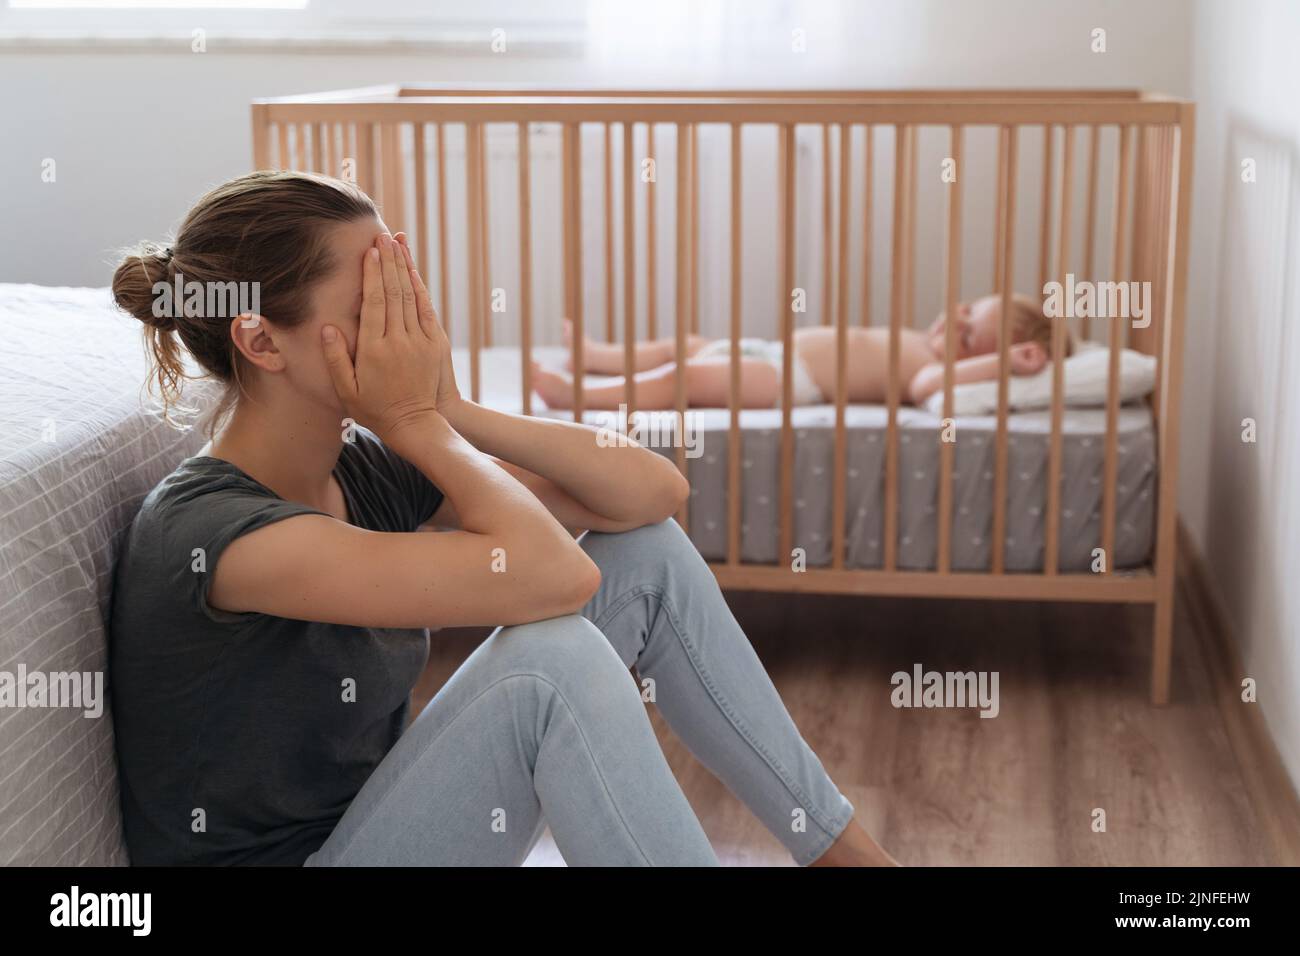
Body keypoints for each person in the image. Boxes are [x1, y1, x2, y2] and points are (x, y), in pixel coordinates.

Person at [107, 170, 898, 867]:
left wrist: (449, 409)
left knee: (648, 558)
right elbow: (558, 577)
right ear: (261, 342)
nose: (407, 331)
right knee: (546, 662)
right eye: (376, 306)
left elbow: (649, 493)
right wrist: (418, 421)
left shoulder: (359, 471)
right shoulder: (214, 535)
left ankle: (850, 858)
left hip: (379, 828)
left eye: (407, 297)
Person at [531, 294, 1068, 411]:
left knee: (687, 376)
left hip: (794, 383)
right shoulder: (928, 344)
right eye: (968, 311)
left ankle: (581, 395)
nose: (955, 321)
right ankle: (596, 355)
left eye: (969, 336)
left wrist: (998, 366)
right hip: (775, 350)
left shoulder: (934, 369)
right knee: (686, 344)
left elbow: (927, 391)